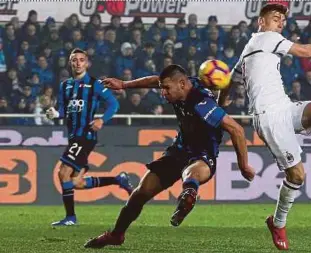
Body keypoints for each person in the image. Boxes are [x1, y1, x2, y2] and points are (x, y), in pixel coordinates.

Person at [219, 4, 311, 250]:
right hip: (268, 117)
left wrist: (221, 102)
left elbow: (228, 80)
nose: (281, 22)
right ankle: (277, 223)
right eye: (276, 18)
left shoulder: (249, 49)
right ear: (261, 22)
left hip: (284, 108)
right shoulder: (267, 38)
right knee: (297, 175)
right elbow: (308, 52)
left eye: (283, 19)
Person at [84, 64, 255, 248]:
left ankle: (189, 195)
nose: (163, 93)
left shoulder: (201, 103)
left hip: (203, 154)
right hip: (178, 150)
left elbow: (236, 130)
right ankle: (116, 235)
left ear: (182, 84)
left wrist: (243, 165)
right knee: (140, 193)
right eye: (162, 87)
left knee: (191, 174)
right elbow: (154, 80)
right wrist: (124, 85)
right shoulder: (180, 85)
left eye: (166, 88)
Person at [46, 48, 133, 226]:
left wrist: (102, 119)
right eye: (74, 60)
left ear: (87, 63)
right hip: (73, 137)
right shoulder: (65, 86)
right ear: (70, 63)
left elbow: (113, 104)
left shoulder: (95, 85)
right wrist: (54, 114)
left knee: (63, 173)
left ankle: (70, 218)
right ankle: (118, 179)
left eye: (81, 60)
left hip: (85, 136)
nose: (78, 63)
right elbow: (63, 110)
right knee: (76, 182)